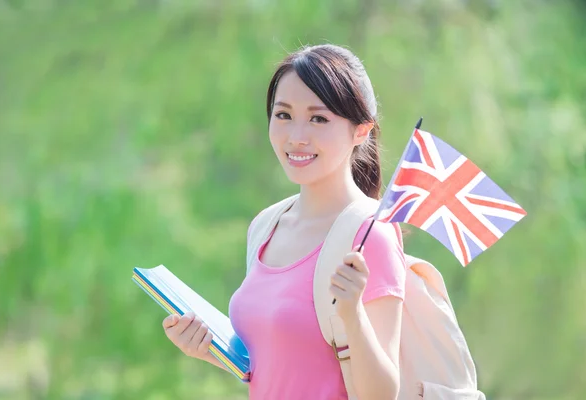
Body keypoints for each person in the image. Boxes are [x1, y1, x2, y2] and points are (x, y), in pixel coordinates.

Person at [162, 43, 406, 400]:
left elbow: (383, 395)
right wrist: (208, 347)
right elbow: (281, 364)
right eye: (283, 115)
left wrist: (353, 315)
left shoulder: (371, 236)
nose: (296, 137)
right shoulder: (266, 226)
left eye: (318, 118)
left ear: (361, 131)